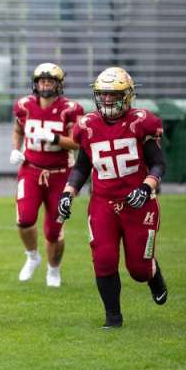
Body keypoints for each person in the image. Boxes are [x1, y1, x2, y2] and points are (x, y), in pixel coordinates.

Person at [57, 67, 168, 328]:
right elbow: (82, 167)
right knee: (104, 260)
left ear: (127, 96)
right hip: (103, 203)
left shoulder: (141, 122)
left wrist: (146, 188)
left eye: (114, 95)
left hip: (137, 203)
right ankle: (113, 317)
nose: (107, 99)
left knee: (138, 270)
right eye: (103, 94)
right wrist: (68, 193)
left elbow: (158, 163)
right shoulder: (88, 126)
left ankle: (153, 274)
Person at [10, 63, 83, 287]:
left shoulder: (70, 109)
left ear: (59, 84)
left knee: (54, 231)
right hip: (31, 170)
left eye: (50, 81)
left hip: (60, 174)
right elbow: (18, 129)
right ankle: (32, 256)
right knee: (24, 220)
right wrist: (15, 148)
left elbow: (77, 142)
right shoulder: (24, 105)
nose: (45, 85)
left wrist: (54, 138)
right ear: (35, 83)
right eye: (42, 81)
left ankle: (53, 270)